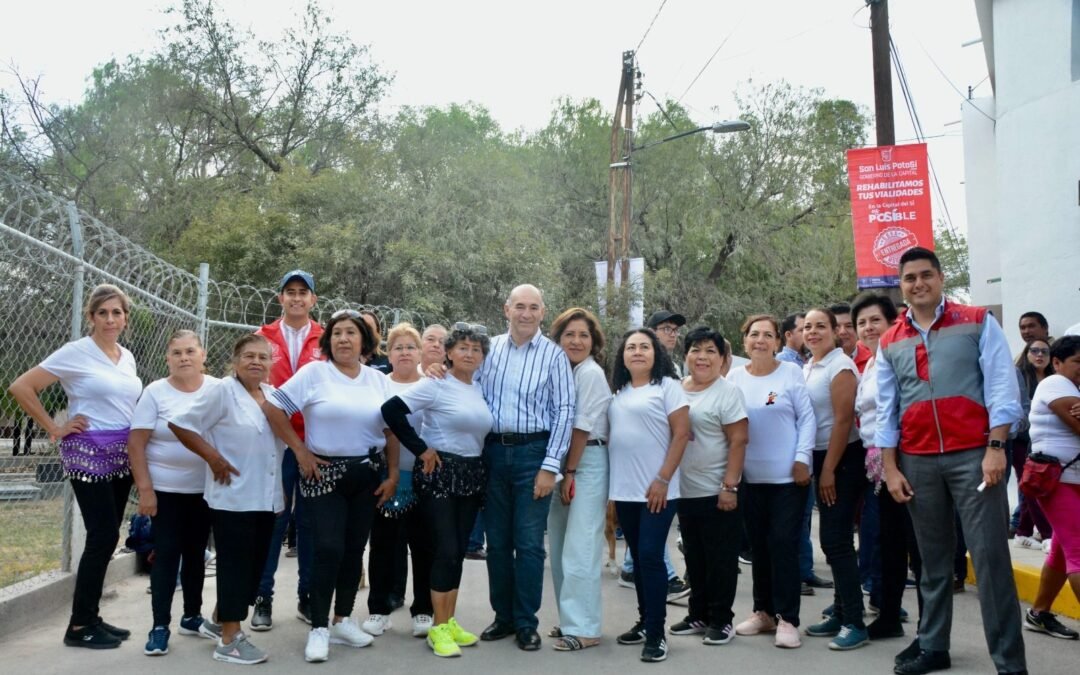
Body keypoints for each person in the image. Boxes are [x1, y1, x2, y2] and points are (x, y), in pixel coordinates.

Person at [878, 247, 1026, 675]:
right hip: (917, 460)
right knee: (933, 562)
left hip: (975, 457)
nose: (918, 284)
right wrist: (890, 467)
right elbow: (887, 410)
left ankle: (1010, 663)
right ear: (901, 285)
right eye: (910, 278)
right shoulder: (891, 340)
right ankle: (934, 646)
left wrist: (996, 448)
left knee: (990, 559)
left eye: (926, 275)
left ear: (941, 278)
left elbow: (1001, 387)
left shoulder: (977, 321)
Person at [8, 284, 143, 649]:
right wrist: (54, 427)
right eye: (103, 313)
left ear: (125, 317)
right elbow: (21, 386)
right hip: (87, 453)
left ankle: (91, 616)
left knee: (109, 536)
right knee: (101, 536)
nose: (111, 319)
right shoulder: (76, 353)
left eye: (117, 312)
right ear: (91, 317)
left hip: (121, 454)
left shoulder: (126, 357)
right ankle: (80, 626)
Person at [261, 310, 400, 663]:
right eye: (337, 333)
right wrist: (300, 450)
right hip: (323, 476)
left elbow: (391, 430)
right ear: (328, 340)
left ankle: (342, 620)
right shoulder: (314, 374)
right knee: (327, 548)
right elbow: (273, 407)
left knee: (354, 550)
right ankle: (319, 627)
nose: (343, 339)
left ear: (364, 342)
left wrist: (394, 474)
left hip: (367, 474)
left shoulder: (378, 381)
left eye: (351, 333)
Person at [169, 335, 284, 665]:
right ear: (235, 361)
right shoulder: (223, 391)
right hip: (233, 497)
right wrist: (213, 458)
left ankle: (219, 621)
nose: (256, 362)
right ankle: (230, 640)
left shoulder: (272, 396)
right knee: (235, 567)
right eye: (249, 356)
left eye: (263, 357)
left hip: (266, 498)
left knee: (254, 569)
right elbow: (181, 424)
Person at [382, 322, 494, 657]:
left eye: (476, 349)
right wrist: (421, 449)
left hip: (471, 474)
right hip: (440, 472)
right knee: (445, 548)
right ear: (448, 352)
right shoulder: (435, 384)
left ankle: (449, 620)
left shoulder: (479, 388)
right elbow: (391, 411)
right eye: (463, 347)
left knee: (458, 549)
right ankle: (437, 627)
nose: (469, 353)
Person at [474, 285, 574, 652]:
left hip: (534, 454)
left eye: (533, 307)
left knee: (530, 545)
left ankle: (526, 622)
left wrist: (551, 466)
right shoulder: (489, 350)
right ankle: (502, 616)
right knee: (497, 543)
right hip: (493, 453)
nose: (526, 314)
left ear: (543, 313)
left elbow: (565, 411)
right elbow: (469, 389)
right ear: (506, 309)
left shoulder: (554, 356)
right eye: (520, 306)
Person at [129, 330, 221, 655]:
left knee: (196, 553)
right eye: (177, 353)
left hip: (206, 490)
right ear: (167, 358)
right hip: (165, 491)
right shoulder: (155, 392)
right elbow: (136, 444)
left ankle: (192, 616)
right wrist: (146, 490)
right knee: (167, 555)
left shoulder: (218, 389)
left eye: (190, 351)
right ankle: (159, 627)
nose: (184, 357)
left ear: (203, 355)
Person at [728, 315, 815, 649]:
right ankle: (763, 612)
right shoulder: (735, 377)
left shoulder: (790, 373)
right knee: (758, 547)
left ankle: (788, 618)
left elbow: (807, 419)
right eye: (754, 334)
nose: (760, 340)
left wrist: (802, 459)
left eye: (767, 335)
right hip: (750, 478)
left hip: (788, 478)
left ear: (778, 341)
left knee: (782, 543)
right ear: (745, 341)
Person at [609, 328, 690, 663]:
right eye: (631, 347)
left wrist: (662, 478)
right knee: (640, 559)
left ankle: (657, 634)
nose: (638, 352)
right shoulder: (619, 392)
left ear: (656, 352)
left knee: (651, 556)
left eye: (645, 346)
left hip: (659, 489)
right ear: (623, 356)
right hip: (625, 490)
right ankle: (644, 622)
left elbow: (683, 434)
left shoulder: (668, 387)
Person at [252, 269, 323, 630]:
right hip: (274, 443)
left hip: (314, 445)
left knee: (309, 523)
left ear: (313, 299)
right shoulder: (261, 337)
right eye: (290, 292)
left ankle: (307, 595)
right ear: (280, 297)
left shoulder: (325, 339)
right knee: (274, 521)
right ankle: (262, 597)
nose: (296, 298)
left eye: (303, 292)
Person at [850, 292, 921, 642]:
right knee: (888, 542)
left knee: (917, 544)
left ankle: (930, 627)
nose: (867, 328)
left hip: (905, 459)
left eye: (875, 320)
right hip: (878, 463)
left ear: (893, 322)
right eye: (861, 323)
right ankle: (889, 615)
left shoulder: (901, 356)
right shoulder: (873, 362)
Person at [670, 327, 747, 646]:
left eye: (710, 351)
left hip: (717, 491)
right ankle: (697, 613)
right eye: (695, 350)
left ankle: (721, 619)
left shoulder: (727, 391)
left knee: (720, 560)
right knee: (695, 557)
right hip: (684, 490)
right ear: (685, 355)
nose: (702, 357)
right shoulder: (677, 388)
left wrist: (730, 486)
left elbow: (739, 439)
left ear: (722, 358)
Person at [800, 308, 870, 651]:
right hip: (817, 457)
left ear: (834, 331)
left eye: (820, 326)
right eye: (807, 327)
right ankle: (841, 612)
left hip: (841, 460)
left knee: (836, 541)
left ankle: (855, 622)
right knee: (834, 538)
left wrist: (828, 468)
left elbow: (844, 421)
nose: (813, 332)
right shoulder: (808, 367)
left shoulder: (840, 366)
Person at [363, 322, 435, 639]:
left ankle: (423, 610)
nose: (404, 352)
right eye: (398, 347)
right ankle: (378, 610)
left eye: (410, 347)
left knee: (423, 546)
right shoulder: (378, 384)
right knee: (383, 545)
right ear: (388, 353)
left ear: (420, 352)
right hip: (386, 476)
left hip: (425, 477)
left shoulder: (432, 384)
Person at [546, 308, 611, 652]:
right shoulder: (561, 371)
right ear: (557, 340)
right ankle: (570, 618)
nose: (576, 341)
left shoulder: (590, 374)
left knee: (580, 548)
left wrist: (570, 472)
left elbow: (581, 427)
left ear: (593, 342)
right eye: (569, 334)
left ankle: (585, 628)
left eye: (584, 335)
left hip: (587, 461)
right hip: (562, 463)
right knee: (557, 548)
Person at [1023, 335, 1080, 641]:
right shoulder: (1055, 385)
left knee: (1061, 550)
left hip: (1073, 480)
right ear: (1057, 363)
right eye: (1078, 362)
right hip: (1058, 482)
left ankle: (1039, 612)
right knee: (1079, 552)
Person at [1013, 339, 1055, 547]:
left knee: (1033, 485)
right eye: (1035, 351)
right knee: (1031, 484)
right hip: (1022, 440)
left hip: (1046, 439)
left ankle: (1023, 532)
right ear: (1026, 353)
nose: (1040, 355)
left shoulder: (1054, 379)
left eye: (1044, 352)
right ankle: (1048, 534)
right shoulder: (1019, 376)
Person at [830, 303, 872, 374]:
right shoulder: (818, 363)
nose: (842, 332)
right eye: (837, 327)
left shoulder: (872, 360)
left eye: (849, 326)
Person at [647, 309, 687, 377]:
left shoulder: (675, 368)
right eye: (667, 329)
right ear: (651, 333)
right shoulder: (641, 364)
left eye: (675, 330)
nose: (673, 335)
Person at [361, 310, 392, 374]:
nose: (365, 331)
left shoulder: (388, 361)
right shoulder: (344, 360)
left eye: (369, 328)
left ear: (377, 331)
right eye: (362, 327)